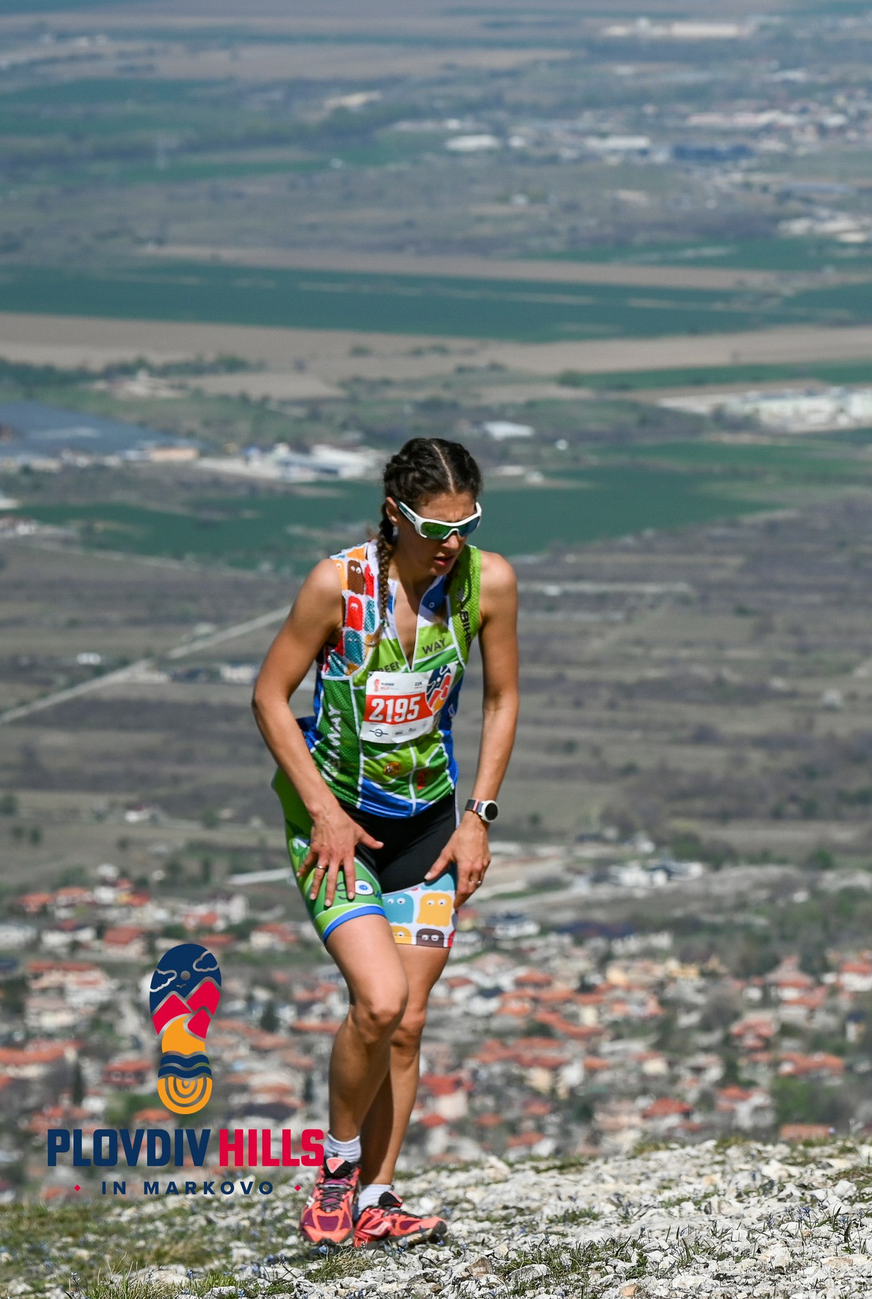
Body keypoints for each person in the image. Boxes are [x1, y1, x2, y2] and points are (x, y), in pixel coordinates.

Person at [250, 437, 520, 1251]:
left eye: (466, 523)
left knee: (408, 1021)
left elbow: (503, 699)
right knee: (377, 1000)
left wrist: (479, 814)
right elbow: (269, 693)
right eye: (435, 526)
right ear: (393, 513)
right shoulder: (337, 584)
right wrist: (321, 810)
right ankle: (335, 1171)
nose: (452, 542)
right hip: (337, 827)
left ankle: (379, 1196)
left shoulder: (488, 581)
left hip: (430, 824)